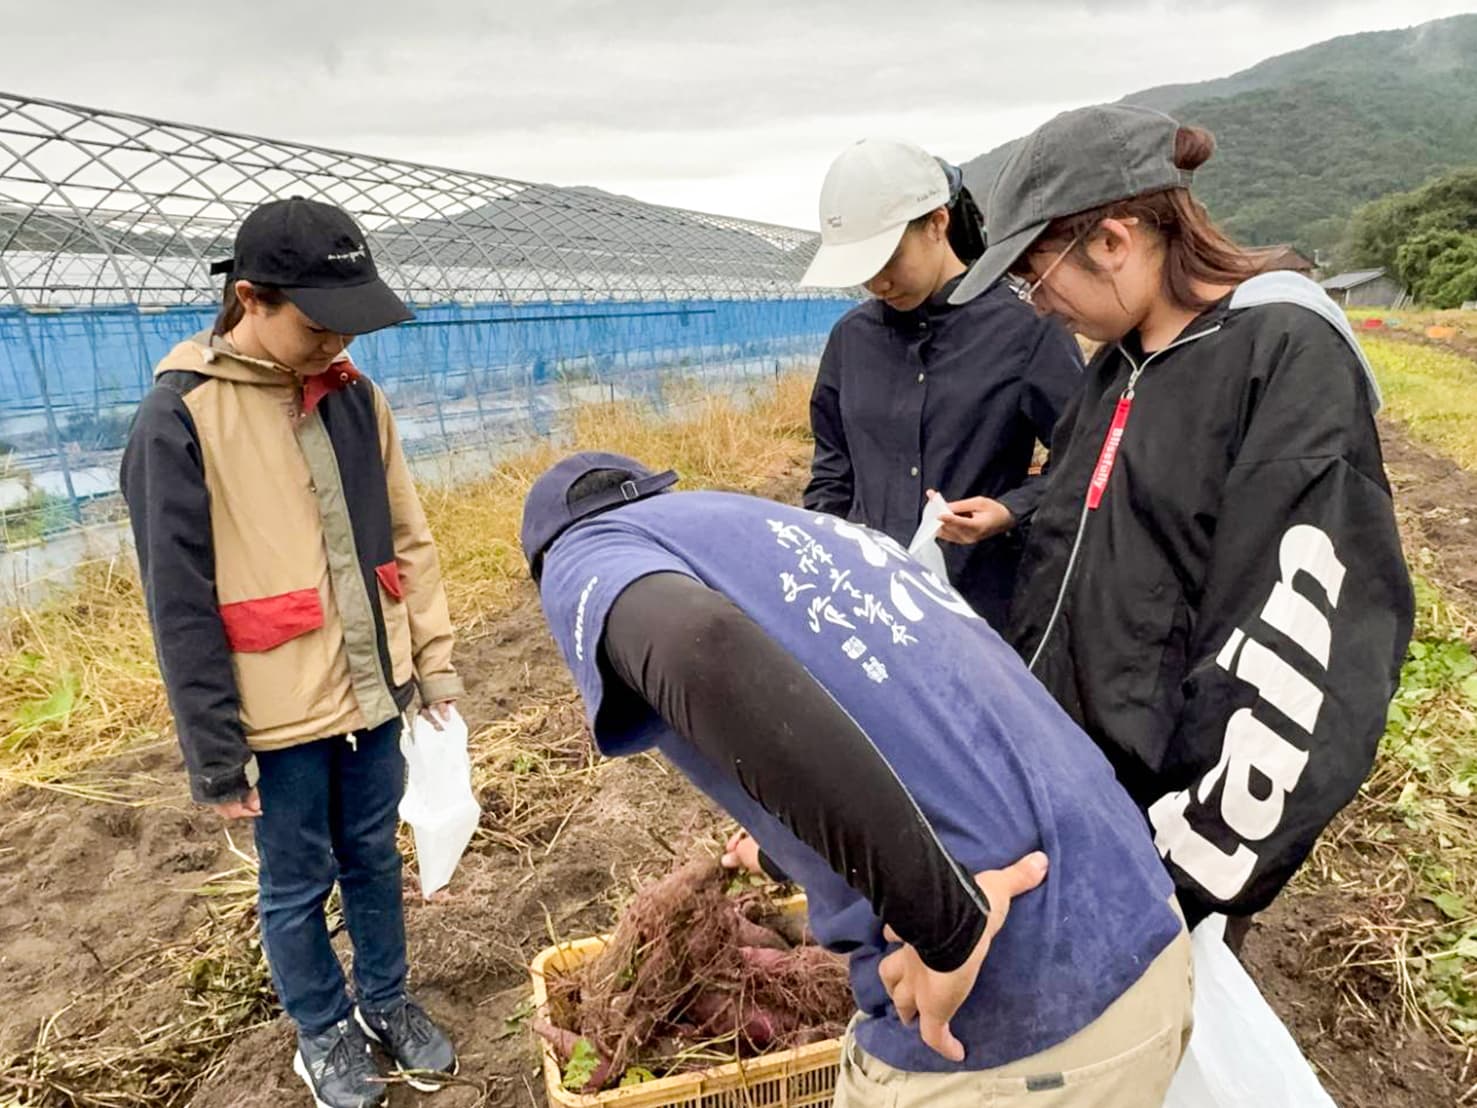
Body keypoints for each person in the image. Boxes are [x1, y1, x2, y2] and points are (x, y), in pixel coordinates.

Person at [522, 452, 1193, 1107]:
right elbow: (912, 726)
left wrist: (948, 925)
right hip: (1135, 923)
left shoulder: (583, 551)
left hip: (1016, 1012)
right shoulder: (775, 530)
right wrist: (784, 849)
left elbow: (699, 646)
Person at [941, 104, 1414, 940]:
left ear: (1113, 241)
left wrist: (1170, 884)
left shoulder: (1279, 359)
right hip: (1070, 803)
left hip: (1160, 848)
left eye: (1034, 275)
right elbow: (1100, 524)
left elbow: (1305, 658)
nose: (1036, 304)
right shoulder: (1117, 366)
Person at [121, 197, 460, 1108]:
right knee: (297, 881)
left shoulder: (355, 398)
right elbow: (177, 599)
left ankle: (386, 1000)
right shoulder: (180, 417)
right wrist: (214, 750)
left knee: (373, 855)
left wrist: (431, 662)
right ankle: (323, 1033)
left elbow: (406, 536)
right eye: (316, 325)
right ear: (249, 300)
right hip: (275, 711)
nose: (333, 345)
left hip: (373, 689)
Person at [798, 139, 1082, 625]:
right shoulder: (852, 340)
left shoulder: (1025, 329)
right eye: (865, 271)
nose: (878, 283)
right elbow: (832, 468)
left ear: (937, 224)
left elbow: (1084, 454)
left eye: (889, 260)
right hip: (871, 603)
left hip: (985, 605)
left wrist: (1011, 510)